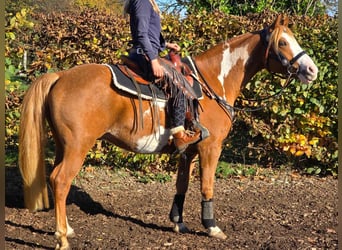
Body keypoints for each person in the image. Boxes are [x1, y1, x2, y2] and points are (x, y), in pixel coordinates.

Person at [124, 0, 206, 152]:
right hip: (145, 56)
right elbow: (141, 35)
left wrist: (167, 45)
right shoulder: (142, 2)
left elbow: (150, 33)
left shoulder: (148, 3)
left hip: (148, 53)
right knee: (179, 87)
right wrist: (153, 60)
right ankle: (179, 136)